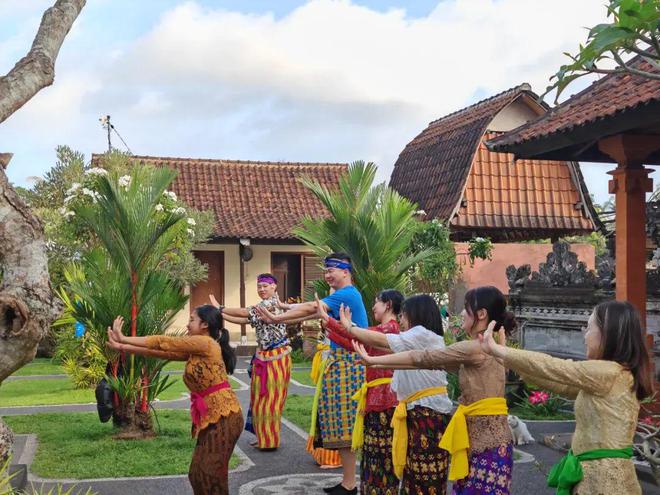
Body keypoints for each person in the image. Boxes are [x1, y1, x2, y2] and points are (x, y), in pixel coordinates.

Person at [478, 300, 652, 495]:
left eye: (588, 327)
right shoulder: (610, 375)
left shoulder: (609, 372)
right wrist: (507, 359)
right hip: (601, 478)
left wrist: (500, 350)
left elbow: (555, 367)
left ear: (607, 333)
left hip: (606, 482)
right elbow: (557, 382)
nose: (584, 335)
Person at [354, 286, 515, 494]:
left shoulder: (476, 348)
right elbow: (422, 361)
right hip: (477, 441)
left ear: (481, 314)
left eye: (466, 309)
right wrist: (375, 363)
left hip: (488, 443)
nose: (461, 314)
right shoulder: (489, 346)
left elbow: (422, 357)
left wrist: (372, 359)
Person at [256, 252, 368, 495]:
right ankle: (348, 481)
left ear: (346, 271)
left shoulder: (347, 294)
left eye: (332, 270)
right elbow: (311, 311)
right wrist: (285, 309)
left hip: (349, 364)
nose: (327, 275)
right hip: (340, 364)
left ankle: (350, 483)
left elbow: (311, 308)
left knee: (346, 426)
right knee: (340, 426)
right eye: (325, 271)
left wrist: (277, 317)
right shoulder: (339, 296)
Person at [106, 306, 241, 495]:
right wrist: (122, 347)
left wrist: (124, 338)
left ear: (204, 325)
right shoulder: (199, 347)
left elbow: (164, 342)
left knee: (210, 474)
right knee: (198, 474)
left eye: (192, 320)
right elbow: (161, 352)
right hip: (214, 416)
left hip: (224, 416)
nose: (187, 324)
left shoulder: (206, 343)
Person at [344, 294, 452, 494]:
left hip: (427, 415)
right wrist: (372, 361)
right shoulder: (419, 340)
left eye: (404, 315)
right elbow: (405, 360)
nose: (401, 320)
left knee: (424, 479)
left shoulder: (422, 334)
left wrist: (349, 327)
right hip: (420, 413)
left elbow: (382, 341)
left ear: (416, 314)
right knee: (414, 477)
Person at [318, 289, 403, 495]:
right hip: (376, 398)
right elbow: (355, 342)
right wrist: (331, 329)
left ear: (388, 305)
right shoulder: (382, 329)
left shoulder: (390, 329)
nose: (373, 306)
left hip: (385, 399)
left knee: (381, 454)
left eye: (377, 302)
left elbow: (357, 336)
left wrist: (329, 321)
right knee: (373, 452)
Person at [210, 273, 291, 451]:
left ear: (274, 287)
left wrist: (221, 307)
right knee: (259, 399)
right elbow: (244, 319)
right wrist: (221, 314)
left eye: (265, 286)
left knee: (270, 400)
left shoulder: (271, 304)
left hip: (276, 357)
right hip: (265, 358)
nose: (262, 289)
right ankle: (263, 436)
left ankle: (269, 440)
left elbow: (244, 312)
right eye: (259, 286)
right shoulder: (262, 307)